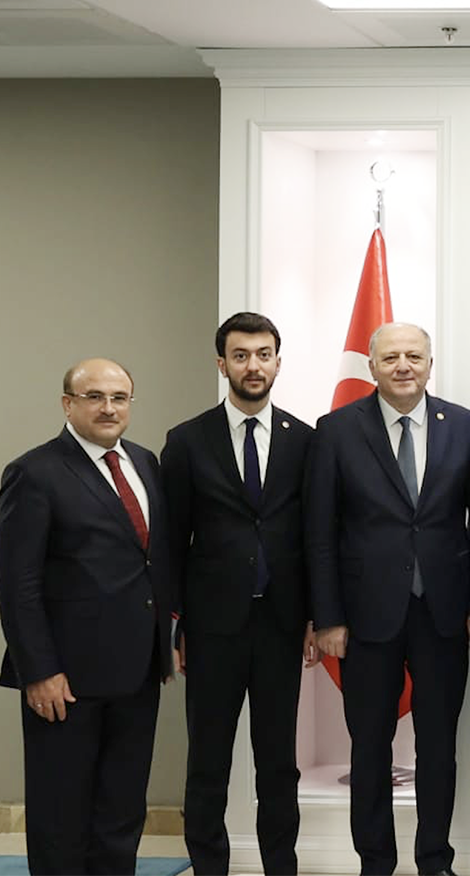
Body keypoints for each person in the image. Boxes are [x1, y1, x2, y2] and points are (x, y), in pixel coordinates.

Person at [307, 321, 470, 876]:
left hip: (444, 612)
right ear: (372, 366)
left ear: (430, 364)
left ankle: (435, 860)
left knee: (439, 745)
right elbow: (320, 532)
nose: (403, 366)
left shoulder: (464, 426)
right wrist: (328, 617)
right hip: (365, 616)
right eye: (391, 357)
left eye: (414, 356)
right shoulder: (337, 429)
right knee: (369, 744)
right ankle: (375, 861)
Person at [0, 358, 175, 876]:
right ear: (67, 404)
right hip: (65, 680)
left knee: (121, 811)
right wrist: (39, 671)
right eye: (94, 396)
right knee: (61, 814)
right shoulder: (34, 472)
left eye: (119, 397)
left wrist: (165, 641)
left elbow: (151, 561)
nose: (108, 408)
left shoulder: (144, 462)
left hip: (138, 672)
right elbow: (16, 583)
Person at [160, 313, 317, 876]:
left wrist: (315, 615)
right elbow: (170, 542)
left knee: (279, 763)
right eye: (242, 355)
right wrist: (175, 625)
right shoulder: (186, 440)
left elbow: (314, 537)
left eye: (263, 354)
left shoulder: (306, 440)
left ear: (278, 361)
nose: (254, 366)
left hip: (281, 624)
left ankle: (281, 866)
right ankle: (208, 867)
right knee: (208, 762)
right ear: (222, 363)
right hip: (210, 628)